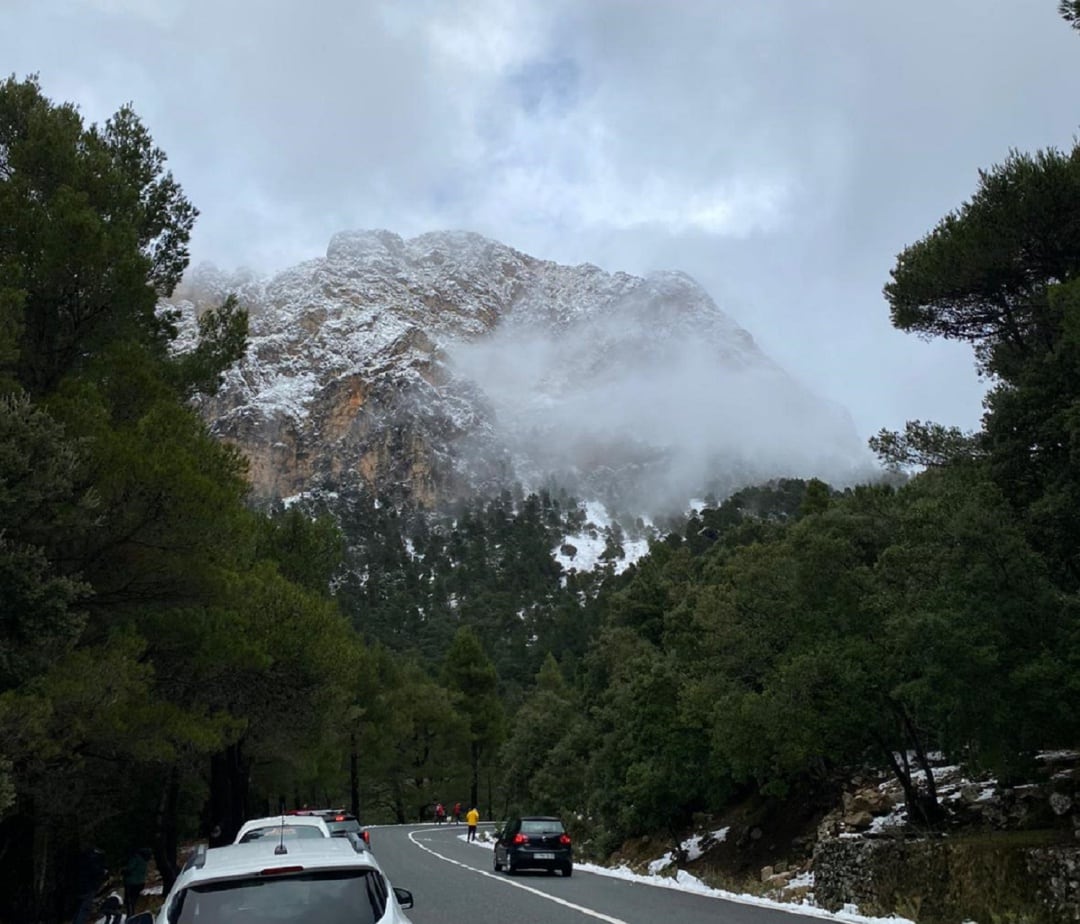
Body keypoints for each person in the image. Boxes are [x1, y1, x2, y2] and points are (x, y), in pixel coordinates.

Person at [72, 846, 108, 924]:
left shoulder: (83, 857)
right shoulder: (96, 861)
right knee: (84, 908)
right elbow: (97, 873)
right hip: (90, 886)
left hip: (80, 885)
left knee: (79, 907)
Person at [122, 847, 152, 916]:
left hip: (131, 883)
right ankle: (133, 915)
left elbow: (129, 869)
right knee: (134, 900)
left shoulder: (135, 859)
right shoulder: (144, 861)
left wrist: (123, 870)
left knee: (129, 901)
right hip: (141, 883)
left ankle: (130, 916)